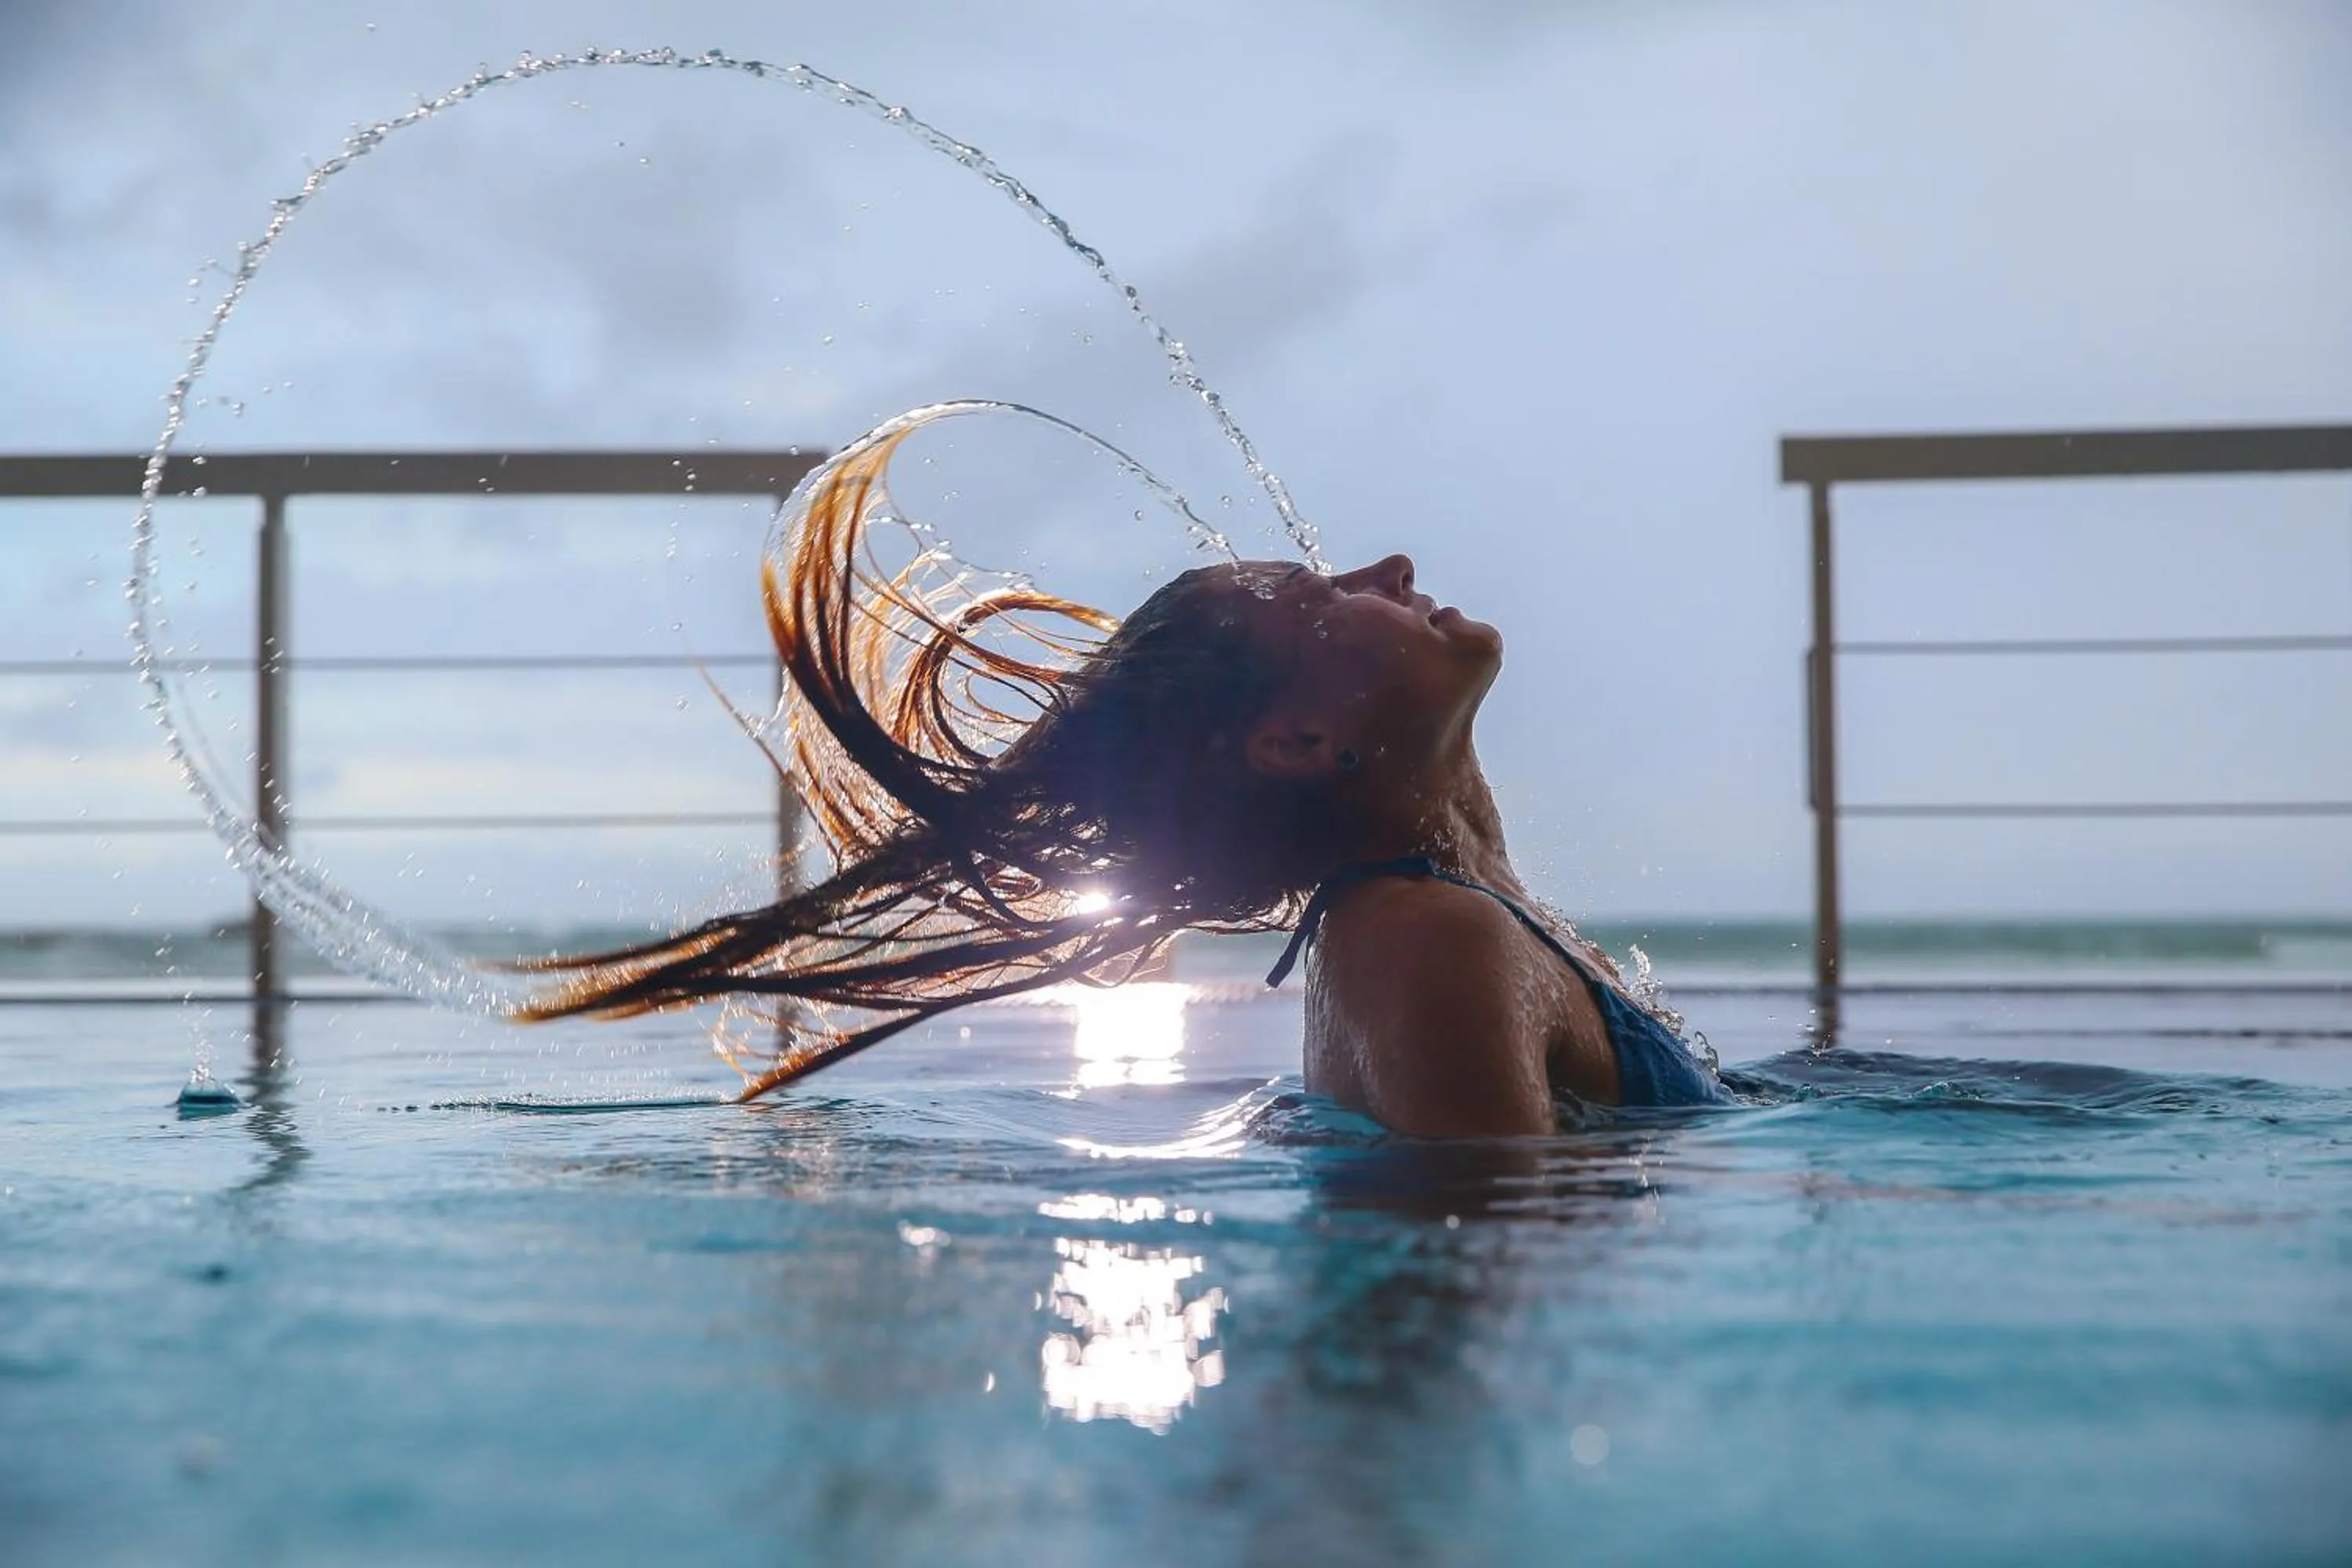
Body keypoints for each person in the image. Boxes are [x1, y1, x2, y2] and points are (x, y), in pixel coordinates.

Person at [520, 428, 1729, 1132]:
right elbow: (1473, 1302)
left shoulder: (1455, 916)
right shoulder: (1424, 941)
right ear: (1297, 743)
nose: (1391, 565)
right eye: (1325, 596)